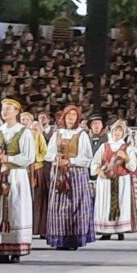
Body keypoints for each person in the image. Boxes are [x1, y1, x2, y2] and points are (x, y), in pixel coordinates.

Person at [44, 104, 96, 250]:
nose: (71, 118)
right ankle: (60, 238)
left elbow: (87, 158)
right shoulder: (57, 134)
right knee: (59, 206)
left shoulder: (82, 134)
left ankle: (74, 239)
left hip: (76, 174)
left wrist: (71, 161)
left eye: (74, 115)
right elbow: (48, 154)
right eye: (68, 115)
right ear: (64, 117)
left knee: (76, 206)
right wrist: (57, 158)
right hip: (59, 173)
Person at [0, 98, 36, 263]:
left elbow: (29, 157)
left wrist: (8, 158)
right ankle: (1, 249)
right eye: (3, 109)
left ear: (17, 111)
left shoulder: (24, 132)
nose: (5, 111)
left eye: (9, 109)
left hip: (16, 175)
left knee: (16, 209)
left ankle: (16, 248)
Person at [90, 119, 136, 241]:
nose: (117, 133)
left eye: (120, 131)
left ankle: (120, 230)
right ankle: (106, 231)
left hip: (121, 181)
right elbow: (95, 163)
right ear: (112, 131)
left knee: (120, 204)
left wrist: (126, 157)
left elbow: (133, 167)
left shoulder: (127, 148)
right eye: (116, 130)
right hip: (105, 181)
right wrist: (99, 171)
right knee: (106, 204)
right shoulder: (104, 146)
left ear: (124, 133)